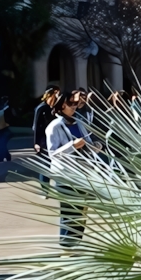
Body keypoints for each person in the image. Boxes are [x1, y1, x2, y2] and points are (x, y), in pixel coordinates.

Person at [45, 93, 95, 245]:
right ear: (62, 106)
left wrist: (95, 147)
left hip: (83, 173)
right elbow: (53, 153)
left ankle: (76, 244)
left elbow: (88, 141)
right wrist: (72, 146)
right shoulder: (54, 126)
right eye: (70, 104)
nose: (74, 107)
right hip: (65, 175)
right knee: (69, 211)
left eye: (75, 104)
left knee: (81, 211)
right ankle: (66, 245)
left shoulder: (79, 123)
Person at [32, 88, 60, 189]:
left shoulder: (54, 108)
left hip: (53, 138)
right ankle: (44, 188)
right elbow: (36, 127)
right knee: (46, 163)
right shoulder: (41, 108)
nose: (57, 97)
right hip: (43, 140)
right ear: (50, 95)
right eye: (56, 94)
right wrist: (36, 143)